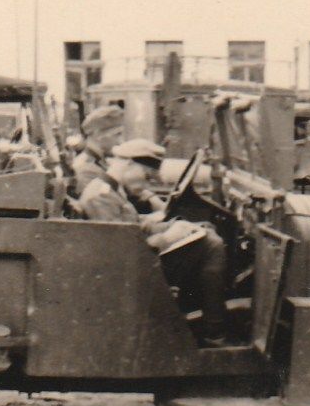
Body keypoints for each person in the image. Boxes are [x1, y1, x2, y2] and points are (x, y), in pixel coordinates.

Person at [78, 138, 230, 346]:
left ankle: (211, 325)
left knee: (205, 231)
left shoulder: (107, 189)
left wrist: (177, 226)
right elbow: (124, 250)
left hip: (134, 261)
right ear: (129, 163)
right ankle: (215, 331)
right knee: (211, 246)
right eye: (146, 175)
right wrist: (168, 237)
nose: (146, 183)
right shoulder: (101, 196)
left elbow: (132, 227)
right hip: (129, 272)